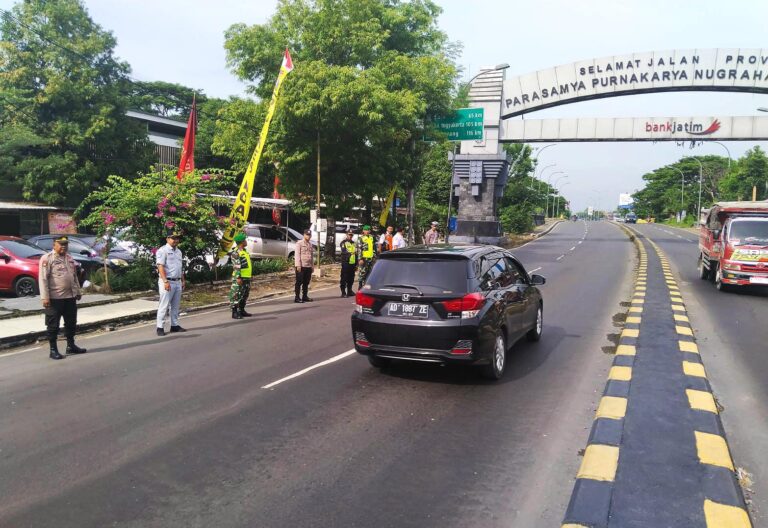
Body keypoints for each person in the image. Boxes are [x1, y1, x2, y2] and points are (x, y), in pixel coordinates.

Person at [38, 235, 86, 360]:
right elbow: (43, 279)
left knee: (71, 323)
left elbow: (74, 276)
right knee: (53, 325)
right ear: (54, 245)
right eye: (61, 244)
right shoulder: (47, 258)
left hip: (70, 297)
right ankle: (53, 350)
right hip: (55, 298)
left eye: (66, 244)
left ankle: (71, 346)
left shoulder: (69, 258)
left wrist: (78, 291)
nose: (64, 246)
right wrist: (45, 297)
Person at [155, 230, 186, 336]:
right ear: (167, 239)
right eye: (173, 238)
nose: (175, 240)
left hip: (177, 281)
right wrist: (165, 281)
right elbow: (160, 266)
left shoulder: (179, 251)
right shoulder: (162, 250)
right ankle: (160, 327)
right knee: (164, 305)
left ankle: (174, 325)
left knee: (175, 306)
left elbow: (179, 266)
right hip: (167, 281)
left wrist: (182, 279)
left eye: (177, 238)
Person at [229, 233, 253, 319]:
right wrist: (238, 277)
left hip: (247, 276)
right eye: (245, 240)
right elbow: (236, 266)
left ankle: (242, 310)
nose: (246, 241)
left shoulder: (244, 251)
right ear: (242, 242)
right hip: (240, 277)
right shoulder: (236, 253)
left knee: (244, 294)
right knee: (236, 294)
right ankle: (234, 312)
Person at [294, 229, 314, 303]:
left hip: (308, 266)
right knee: (299, 282)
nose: (308, 236)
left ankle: (304, 296)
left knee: (306, 282)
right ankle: (297, 297)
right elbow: (297, 255)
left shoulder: (310, 244)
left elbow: (311, 256)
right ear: (304, 235)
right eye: (307, 235)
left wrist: (312, 266)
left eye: (309, 235)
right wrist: (298, 265)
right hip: (301, 266)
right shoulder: (299, 243)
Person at [357, 224, 376, 290]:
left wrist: (374, 256)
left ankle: (366, 285)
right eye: (366, 230)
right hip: (364, 258)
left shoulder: (371, 237)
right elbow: (359, 249)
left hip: (371, 258)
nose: (367, 231)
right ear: (363, 231)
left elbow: (373, 248)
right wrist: (360, 259)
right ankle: (360, 286)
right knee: (362, 272)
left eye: (368, 230)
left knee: (369, 272)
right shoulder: (361, 238)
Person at [339, 229, 357, 297]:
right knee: (344, 277)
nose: (350, 236)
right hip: (346, 262)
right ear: (346, 235)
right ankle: (343, 292)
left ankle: (349, 290)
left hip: (352, 263)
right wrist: (350, 253)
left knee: (351, 278)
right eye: (349, 234)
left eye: (351, 235)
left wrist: (356, 263)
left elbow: (356, 253)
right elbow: (343, 251)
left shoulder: (354, 243)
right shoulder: (343, 243)